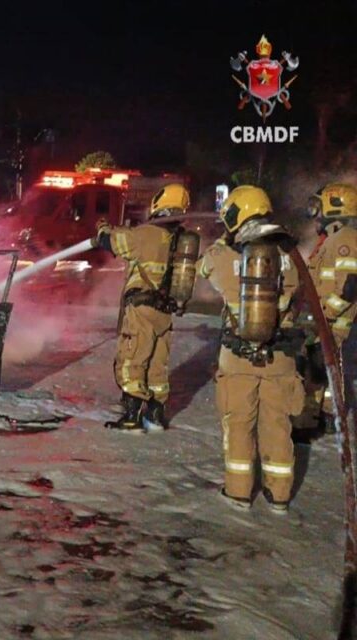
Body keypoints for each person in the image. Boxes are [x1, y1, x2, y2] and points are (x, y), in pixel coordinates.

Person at [198, 185, 304, 513]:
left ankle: (239, 492)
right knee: (278, 426)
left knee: (239, 423)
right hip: (282, 357)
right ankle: (280, 495)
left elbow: (204, 268)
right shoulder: (290, 254)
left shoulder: (224, 256)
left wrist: (221, 241)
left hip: (238, 356)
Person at [94, 184, 190, 432]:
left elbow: (113, 242)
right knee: (158, 364)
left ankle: (131, 417)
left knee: (133, 358)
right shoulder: (180, 239)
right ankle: (155, 416)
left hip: (142, 309)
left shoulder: (147, 233)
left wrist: (103, 228)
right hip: (164, 312)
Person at [303, 183, 357, 430]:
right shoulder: (333, 240)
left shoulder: (345, 239)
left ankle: (325, 417)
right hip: (328, 324)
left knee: (330, 374)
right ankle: (320, 416)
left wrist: (325, 316)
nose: (316, 216)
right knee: (320, 373)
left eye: (319, 208)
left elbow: (349, 288)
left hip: (336, 326)